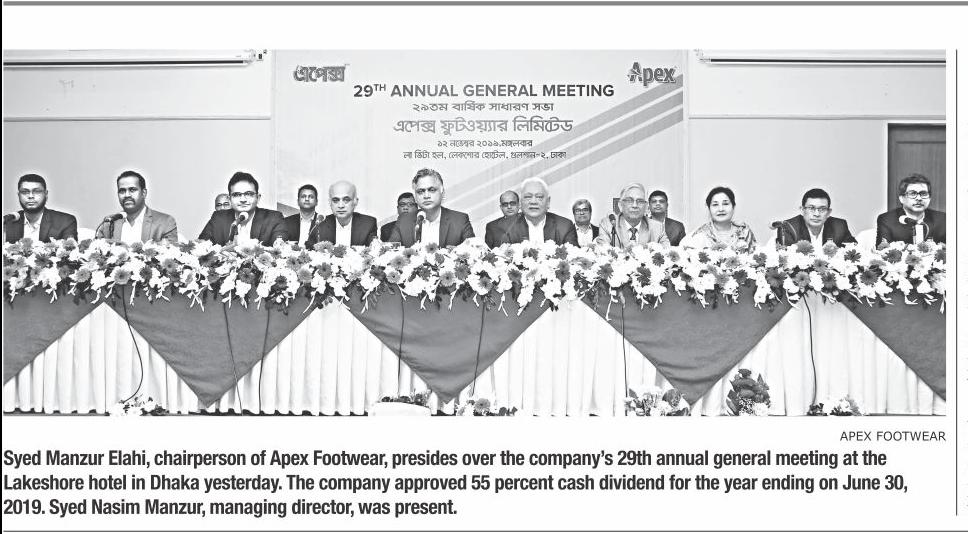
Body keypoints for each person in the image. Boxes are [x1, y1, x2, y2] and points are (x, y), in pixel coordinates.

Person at [388, 168, 474, 247]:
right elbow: (389, 254)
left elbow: (473, 253)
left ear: (442, 192)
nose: (426, 196)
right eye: (420, 191)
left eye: (432, 190)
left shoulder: (460, 220)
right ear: (415, 197)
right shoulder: (404, 221)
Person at [198, 171, 288, 246]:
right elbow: (200, 247)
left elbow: (279, 250)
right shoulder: (218, 218)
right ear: (229, 199)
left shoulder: (274, 218)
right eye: (237, 195)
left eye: (249, 194)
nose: (243, 200)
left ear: (258, 198)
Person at [94, 170, 178, 244]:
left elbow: (172, 255)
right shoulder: (109, 222)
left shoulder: (165, 222)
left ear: (144, 193)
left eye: (132, 190)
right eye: (122, 191)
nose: (127, 195)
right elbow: (96, 253)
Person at [490, 178, 577, 246]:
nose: (533, 202)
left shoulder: (564, 226)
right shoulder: (504, 227)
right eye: (528, 197)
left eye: (539, 197)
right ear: (521, 202)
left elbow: (575, 260)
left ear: (548, 202)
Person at [4, 174, 77, 244]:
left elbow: (69, 249)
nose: (30, 196)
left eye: (37, 191)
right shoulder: (8, 221)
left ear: (46, 194)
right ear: (18, 195)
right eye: (25, 192)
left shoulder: (65, 221)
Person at [875, 173, 946, 245]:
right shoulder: (887, 220)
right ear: (901, 198)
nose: (919, 198)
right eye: (912, 193)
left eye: (923, 193)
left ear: (929, 198)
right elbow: (882, 249)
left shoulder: (942, 219)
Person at [595, 182, 669, 247]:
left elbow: (666, 254)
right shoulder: (608, 225)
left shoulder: (657, 228)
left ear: (646, 207)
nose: (635, 205)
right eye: (629, 201)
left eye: (640, 201)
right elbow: (604, 253)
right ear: (620, 205)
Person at [777, 188, 856, 248]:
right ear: (802, 210)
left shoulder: (839, 226)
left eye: (822, 209)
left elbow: (853, 251)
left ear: (829, 212)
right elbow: (787, 259)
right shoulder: (788, 227)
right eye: (811, 208)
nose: (817, 214)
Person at [684, 186, 756, 252]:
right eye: (715, 205)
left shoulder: (744, 231)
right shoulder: (701, 234)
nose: (721, 209)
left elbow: (756, 257)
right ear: (709, 208)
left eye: (725, 204)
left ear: (733, 206)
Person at [313, 180, 378, 247]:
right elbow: (309, 250)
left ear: (355, 202)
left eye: (346, 200)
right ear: (330, 202)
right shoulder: (320, 224)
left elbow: (373, 251)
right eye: (335, 200)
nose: (341, 206)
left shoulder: (368, 224)